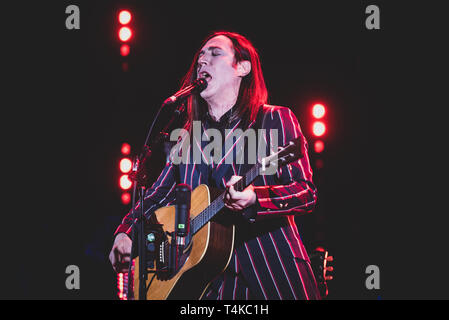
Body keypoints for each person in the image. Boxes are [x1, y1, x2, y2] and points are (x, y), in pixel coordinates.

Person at [109, 31, 321, 300]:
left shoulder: (274, 119)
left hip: (273, 270)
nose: (203, 61)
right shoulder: (186, 142)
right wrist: (125, 234)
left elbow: (305, 192)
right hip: (210, 283)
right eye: (200, 56)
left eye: (215, 53)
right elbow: (154, 197)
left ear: (242, 68)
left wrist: (256, 199)